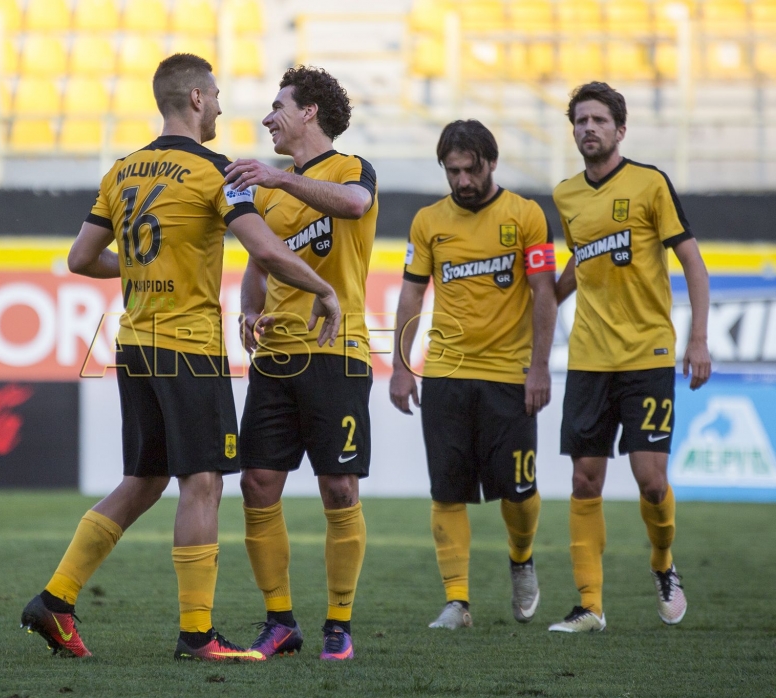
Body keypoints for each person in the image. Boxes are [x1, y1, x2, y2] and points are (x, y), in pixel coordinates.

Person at [19, 53, 343, 661]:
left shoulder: (122, 170)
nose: (219, 106)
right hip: (188, 348)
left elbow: (81, 259)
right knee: (203, 481)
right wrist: (324, 291)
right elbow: (266, 252)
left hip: (135, 344)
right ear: (196, 98)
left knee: (144, 481)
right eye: (215, 95)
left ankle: (55, 600)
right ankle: (198, 634)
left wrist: (145, 270)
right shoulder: (215, 171)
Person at [224, 65, 377, 661]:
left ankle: (339, 622)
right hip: (276, 359)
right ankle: (280, 620)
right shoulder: (266, 191)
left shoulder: (351, 168)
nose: (268, 118)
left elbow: (354, 205)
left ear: (310, 111)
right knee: (257, 484)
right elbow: (258, 263)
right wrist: (248, 309)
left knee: (338, 487)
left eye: (278, 106)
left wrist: (279, 179)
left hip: (337, 352)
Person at [549, 82, 711, 633]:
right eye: (580, 121)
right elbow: (581, 260)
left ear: (620, 129)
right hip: (589, 357)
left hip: (647, 353)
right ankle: (590, 606)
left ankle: (663, 564)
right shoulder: (566, 195)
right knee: (584, 480)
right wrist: (545, 300)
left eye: (599, 120)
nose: (588, 128)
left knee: (651, 481)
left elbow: (693, 263)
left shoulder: (650, 183)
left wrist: (697, 340)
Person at [390, 120, 558, 630]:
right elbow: (412, 294)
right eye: (452, 171)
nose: (462, 181)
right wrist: (401, 365)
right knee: (446, 491)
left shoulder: (526, 216)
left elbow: (544, 293)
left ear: (491, 163)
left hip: (510, 375)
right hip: (446, 373)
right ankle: (457, 601)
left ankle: (521, 560)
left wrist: (540, 367)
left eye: (471, 170)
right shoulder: (428, 221)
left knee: (519, 492)